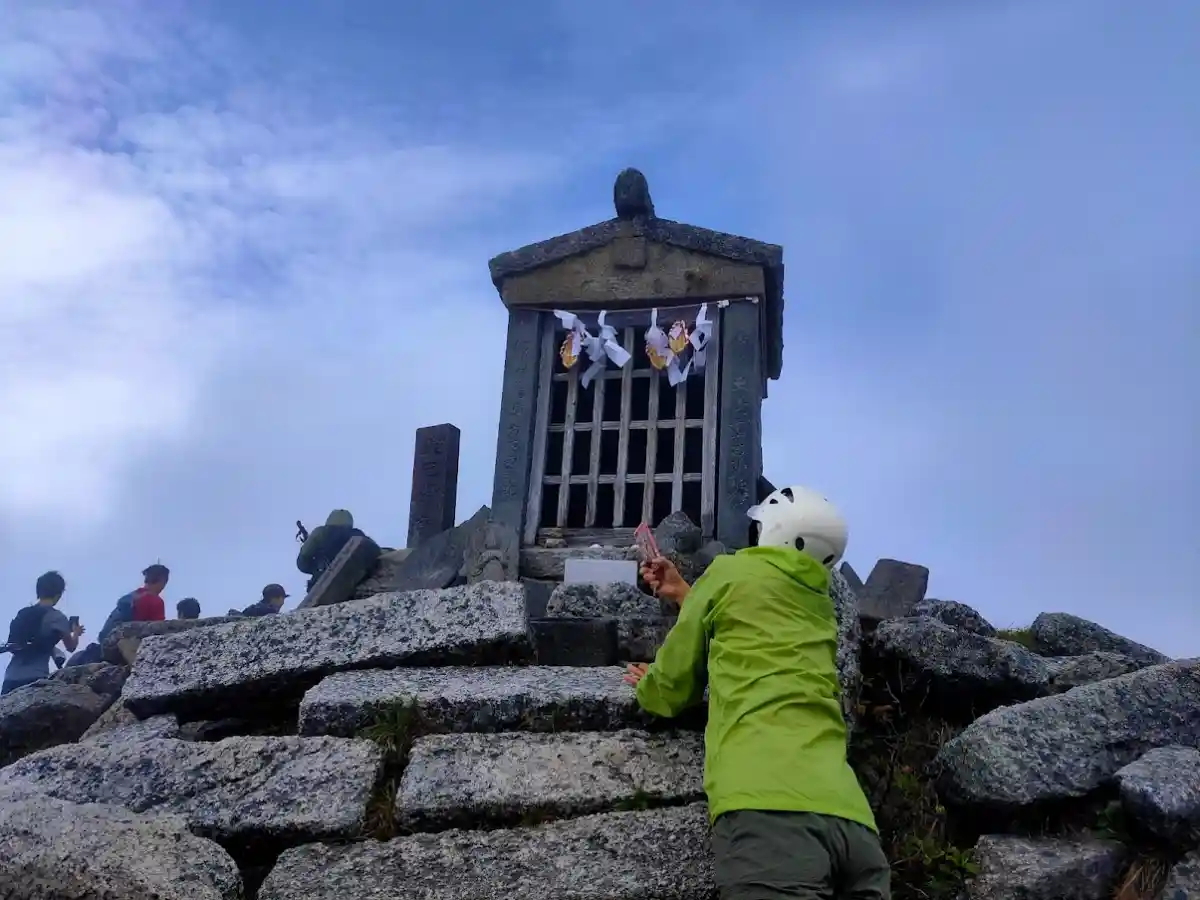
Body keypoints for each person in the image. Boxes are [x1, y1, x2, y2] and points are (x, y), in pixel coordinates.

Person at [626, 486, 890, 900]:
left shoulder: (729, 572)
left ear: (770, 532)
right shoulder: (818, 604)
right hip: (854, 827)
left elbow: (672, 687)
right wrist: (684, 593)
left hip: (773, 815)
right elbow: (754, 624)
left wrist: (649, 686)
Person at [2, 571, 84, 695]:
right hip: (35, 677)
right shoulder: (57, 617)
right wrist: (76, 633)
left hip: (10, 677)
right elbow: (71, 647)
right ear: (58, 595)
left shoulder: (23, 613)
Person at [98, 564, 171, 642]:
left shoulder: (131, 597)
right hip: (132, 645)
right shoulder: (155, 601)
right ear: (164, 581)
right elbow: (159, 631)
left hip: (110, 642)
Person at [296, 509, 364, 590]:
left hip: (322, 584)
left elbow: (302, 563)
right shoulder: (357, 534)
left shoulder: (320, 533)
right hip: (355, 581)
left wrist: (316, 568)